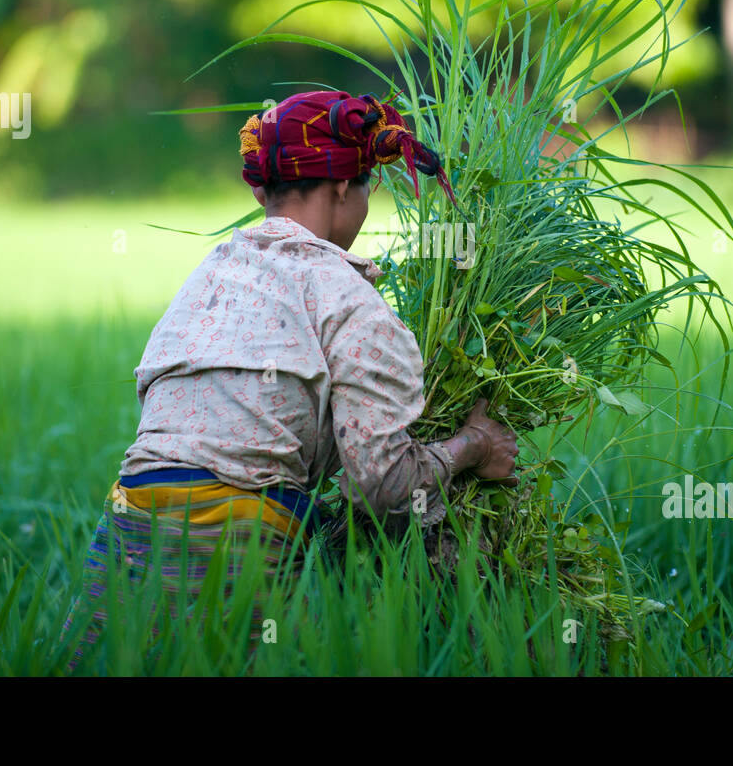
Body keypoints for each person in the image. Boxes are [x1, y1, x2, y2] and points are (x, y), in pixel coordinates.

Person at [59, 89, 519, 670]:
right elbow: (386, 486)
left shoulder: (209, 276)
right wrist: (474, 447)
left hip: (130, 519)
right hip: (236, 540)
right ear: (342, 189)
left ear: (261, 191)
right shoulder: (351, 302)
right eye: (369, 189)